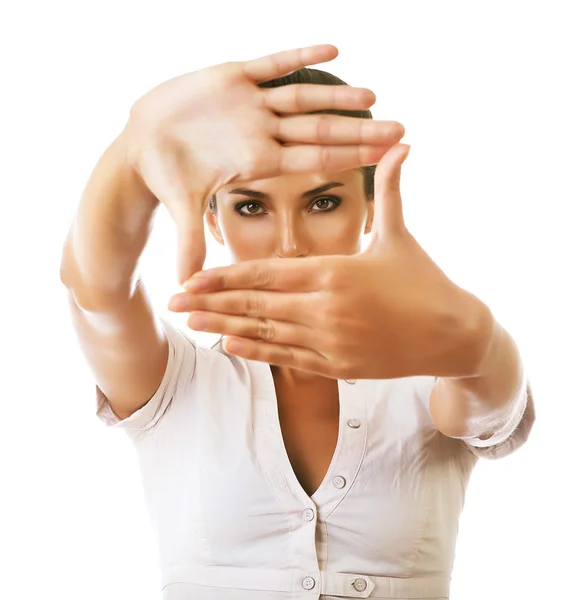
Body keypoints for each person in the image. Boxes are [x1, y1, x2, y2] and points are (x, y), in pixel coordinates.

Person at [60, 44, 535, 600]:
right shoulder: (176, 384)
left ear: (370, 207)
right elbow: (96, 289)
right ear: (211, 220)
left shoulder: (427, 378)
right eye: (251, 207)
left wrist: (476, 339)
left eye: (323, 203)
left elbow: (493, 410)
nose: (289, 245)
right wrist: (134, 149)